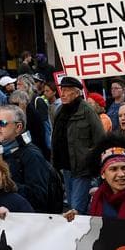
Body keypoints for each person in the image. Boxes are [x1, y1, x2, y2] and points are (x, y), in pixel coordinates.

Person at [51, 76, 106, 214]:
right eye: (61, 89)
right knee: (71, 205)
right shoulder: (60, 111)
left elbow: (100, 139)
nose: (62, 93)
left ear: (76, 92)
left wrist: (89, 159)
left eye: (67, 90)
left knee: (76, 208)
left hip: (82, 168)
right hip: (66, 166)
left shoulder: (87, 110)